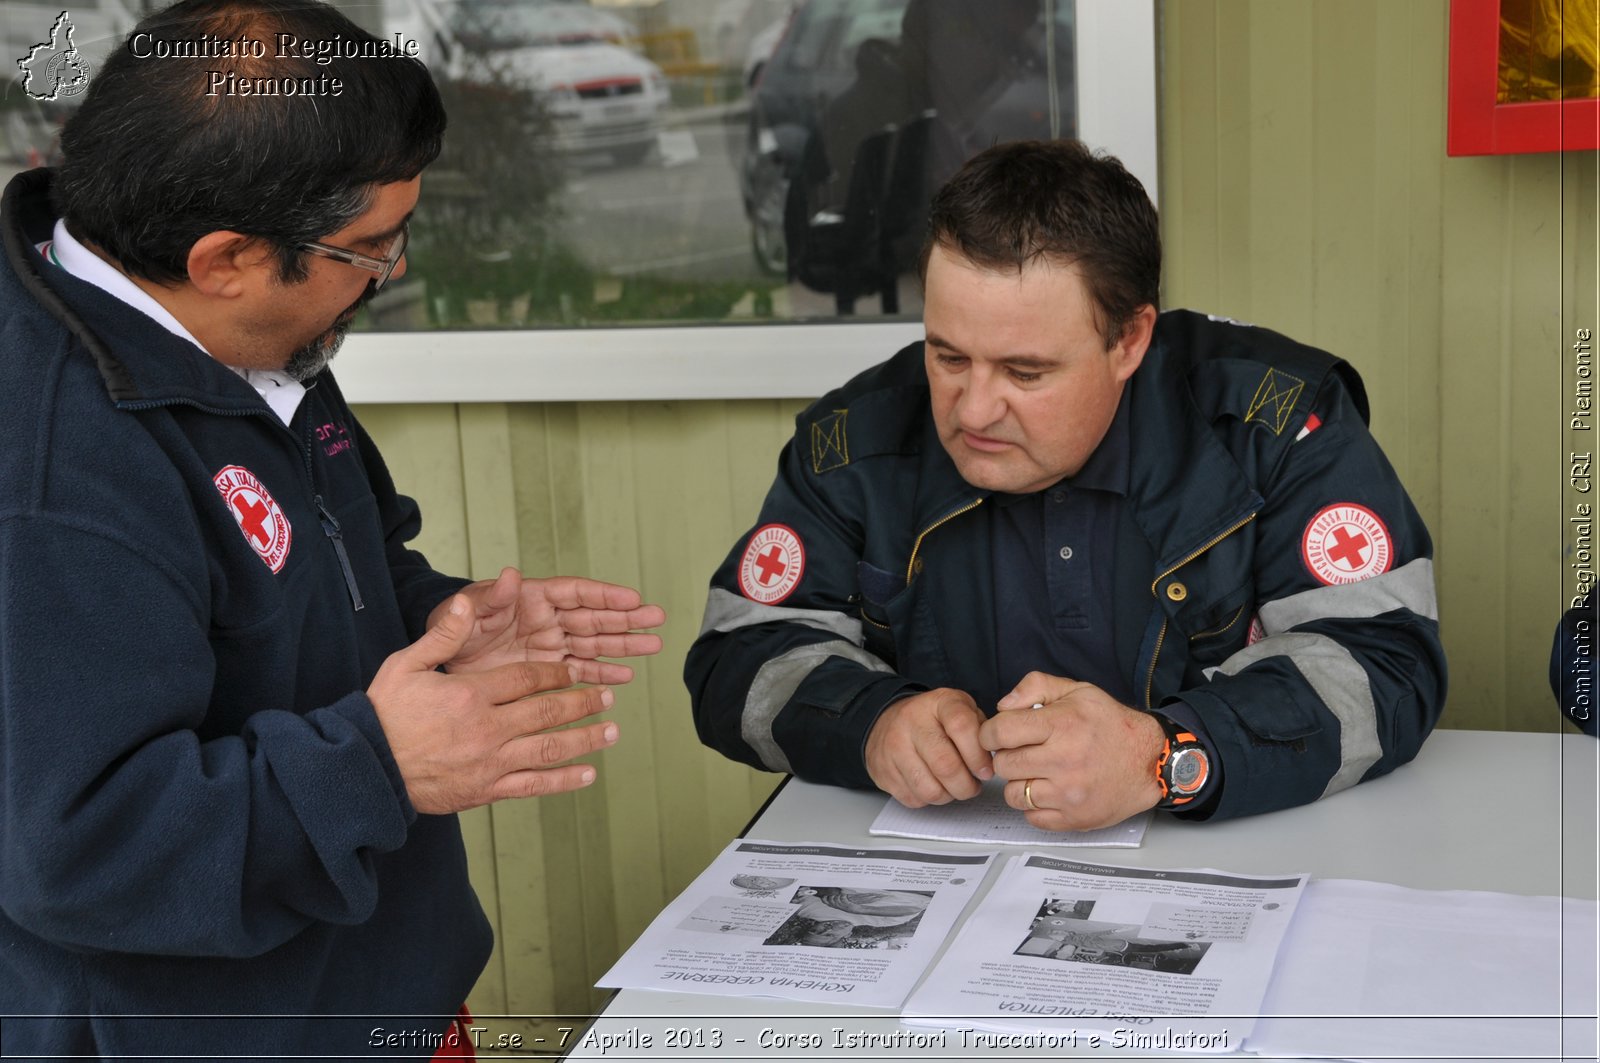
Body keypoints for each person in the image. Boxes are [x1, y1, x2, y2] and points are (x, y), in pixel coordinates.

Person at [0, 1, 663, 1057]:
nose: (390, 270)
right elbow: (76, 851)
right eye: (369, 246)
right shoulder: (51, 476)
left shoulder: (235, 337)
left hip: (374, 990)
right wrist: (379, 765)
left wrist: (437, 619)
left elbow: (329, 564)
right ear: (227, 258)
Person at [686, 139, 1446, 830]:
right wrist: (873, 723)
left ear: (1129, 340)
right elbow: (738, 657)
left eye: (1025, 371)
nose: (974, 408)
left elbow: (1386, 663)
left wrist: (1167, 753)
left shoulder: (1273, 425)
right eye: (948, 356)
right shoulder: (858, 442)